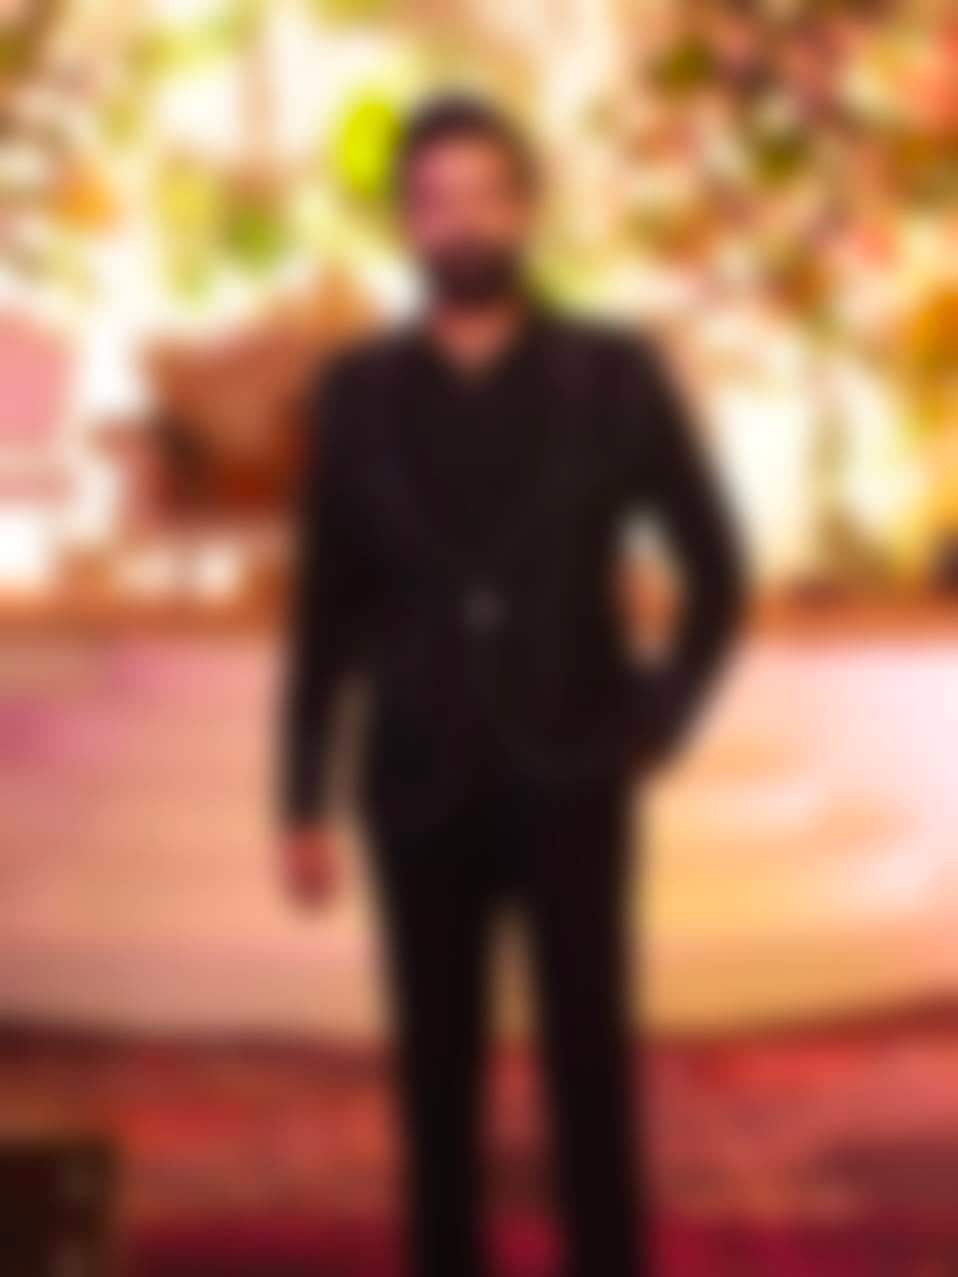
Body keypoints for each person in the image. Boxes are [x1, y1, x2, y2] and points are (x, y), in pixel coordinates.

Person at [278, 94, 744, 1277]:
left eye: (486, 194)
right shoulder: (354, 393)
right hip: (415, 778)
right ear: (407, 223)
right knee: (433, 1087)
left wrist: (655, 719)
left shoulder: (614, 374)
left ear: (526, 210)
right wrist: (300, 796)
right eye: (436, 200)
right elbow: (324, 610)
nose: (463, 220)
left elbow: (716, 567)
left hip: (573, 772)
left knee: (591, 1076)